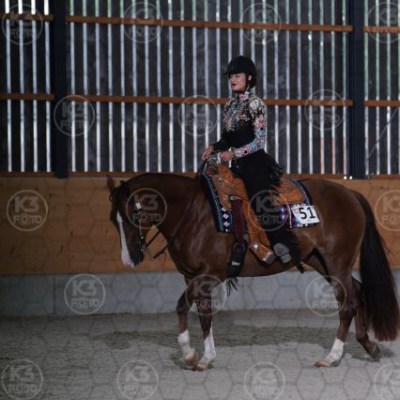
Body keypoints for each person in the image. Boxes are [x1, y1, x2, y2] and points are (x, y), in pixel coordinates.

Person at [202, 55, 300, 266]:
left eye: (237, 76)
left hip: (255, 164)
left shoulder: (256, 104)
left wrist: (233, 154)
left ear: (249, 78)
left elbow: (259, 142)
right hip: (237, 165)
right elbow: (227, 139)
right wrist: (214, 147)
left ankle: (281, 242)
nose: (232, 80)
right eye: (230, 76)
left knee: (259, 198)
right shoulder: (229, 105)